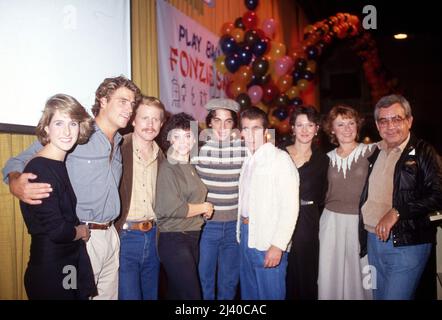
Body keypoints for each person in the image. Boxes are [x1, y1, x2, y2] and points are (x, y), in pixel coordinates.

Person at [2, 76, 141, 299]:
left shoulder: (120, 142)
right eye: (123, 101)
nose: (129, 108)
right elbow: (16, 162)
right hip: (82, 239)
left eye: (132, 104)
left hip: (111, 237)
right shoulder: (76, 133)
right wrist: (16, 182)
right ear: (103, 100)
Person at [359, 94, 442, 300]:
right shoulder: (374, 152)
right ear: (378, 126)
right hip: (373, 242)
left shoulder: (424, 152)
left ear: (409, 121)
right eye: (384, 121)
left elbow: (438, 195)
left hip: (407, 242)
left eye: (397, 119)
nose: (390, 126)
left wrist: (397, 212)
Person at [20, 94, 95, 299]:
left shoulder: (57, 163)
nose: (67, 131)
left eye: (73, 123)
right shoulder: (40, 168)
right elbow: (57, 230)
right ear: (46, 128)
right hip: (50, 270)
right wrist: (81, 231)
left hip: (66, 264)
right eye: (59, 123)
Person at [237, 107, 299, 300]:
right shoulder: (248, 161)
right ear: (241, 133)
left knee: (270, 295)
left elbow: (290, 207)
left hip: (268, 240)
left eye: (255, 128)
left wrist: (278, 245)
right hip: (246, 237)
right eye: (246, 129)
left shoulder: (280, 159)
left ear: (265, 132)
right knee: (250, 296)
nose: (250, 134)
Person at [191, 98, 248, 300]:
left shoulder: (245, 151)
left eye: (228, 121)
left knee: (229, 282)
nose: (222, 126)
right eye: (217, 120)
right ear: (209, 122)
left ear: (234, 124)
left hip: (234, 226)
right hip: (206, 226)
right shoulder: (195, 150)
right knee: (204, 279)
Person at [155, 112, 214, 300]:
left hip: (191, 237)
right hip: (174, 239)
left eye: (188, 135)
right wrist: (204, 207)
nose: (183, 141)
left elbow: (191, 200)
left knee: (178, 295)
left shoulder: (188, 165)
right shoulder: (168, 167)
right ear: (169, 139)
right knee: (192, 296)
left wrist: (204, 209)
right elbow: (170, 208)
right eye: (177, 136)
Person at [318, 105, 374, 300]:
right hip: (331, 222)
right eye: (340, 124)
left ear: (357, 125)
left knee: (364, 275)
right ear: (331, 129)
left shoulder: (372, 151)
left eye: (351, 123)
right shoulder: (325, 159)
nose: (347, 128)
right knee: (330, 272)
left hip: (361, 223)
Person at [114, 96, 165, 300]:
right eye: (144, 118)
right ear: (133, 120)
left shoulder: (163, 157)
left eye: (155, 120)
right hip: (125, 238)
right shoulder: (117, 146)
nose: (150, 125)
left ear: (162, 124)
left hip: (154, 237)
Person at [284, 106, 329, 300]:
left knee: (306, 275)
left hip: (307, 222)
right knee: (282, 274)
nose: (304, 130)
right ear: (292, 128)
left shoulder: (323, 160)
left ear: (317, 128)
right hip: (280, 217)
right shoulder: (279, 154)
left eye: (310, 125)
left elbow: (325, 194)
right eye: (299, 125)